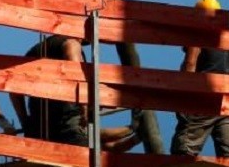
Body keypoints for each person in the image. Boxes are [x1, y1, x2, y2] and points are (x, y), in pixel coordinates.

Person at [10, 34, 141, 151]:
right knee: (91, 153)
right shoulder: (71, 43)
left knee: (96, 146)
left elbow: (13, 89)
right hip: (65, 123)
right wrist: (83, 103)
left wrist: (25, 122)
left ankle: (134, 130)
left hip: (40, 130)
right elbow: (74, 68)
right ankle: (135, 130)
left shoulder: (33, 52)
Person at [170, 0, 229, 158]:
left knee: (183, 153)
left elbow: (190, 65)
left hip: (203, 101)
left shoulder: (200, 34)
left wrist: (183, 100)